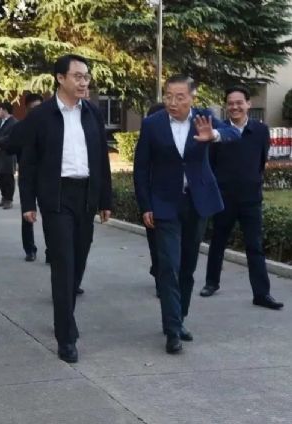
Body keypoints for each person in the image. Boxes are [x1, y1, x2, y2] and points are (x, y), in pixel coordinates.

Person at [133, 75, 241, 355]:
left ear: (192, 97)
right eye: (168, 96)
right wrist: (145, 205)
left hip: (197, 203)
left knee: (187, 266)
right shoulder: (152, 124)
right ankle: (172, 331)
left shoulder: (204, 118)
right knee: (169, 265)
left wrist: (213, 136)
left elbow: (234, 134)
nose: (173, 102)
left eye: (180, 97)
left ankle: (179, 318)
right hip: (164, 204)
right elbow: (141, 168)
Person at [19, 55, 112, 363]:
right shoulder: (41, 115)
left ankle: (65, 315)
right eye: (78, 76)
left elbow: (101, 158)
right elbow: (29, 162)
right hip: (56, 198)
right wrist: (28, 203)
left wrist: (105, 200)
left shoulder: (93, 113)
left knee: (78, 263)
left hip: (86, 196)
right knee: (63, 264)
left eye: (87, 77)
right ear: (60, 78)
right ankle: (66, 336)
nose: (84, 82)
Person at [200, 85, 284, 310]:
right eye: (230, 103)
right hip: (224, 198)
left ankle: (262, 294)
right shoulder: (218, 132)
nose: (235, 107)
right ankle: (211, 282)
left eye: (239, 103)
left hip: (250, 199)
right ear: (226, 106)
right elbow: (211, 163)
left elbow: (261, 162)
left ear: (248, 104)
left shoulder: (260, 131)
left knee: (254, 246)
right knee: (218, 242)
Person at [2, 93, 44, 261]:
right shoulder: (21, 127)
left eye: (39, 108)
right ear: (26, 109)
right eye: (33, 108)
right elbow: (10, 147)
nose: (36, 111)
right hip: (27, 176)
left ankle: (52, 251)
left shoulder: (52, 126)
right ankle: (29, 249)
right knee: (27, 214)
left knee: (51, 216)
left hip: (48, 176)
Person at [144, 102, 166, 296]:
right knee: (157, 245)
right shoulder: (148, 143)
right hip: (154, 202)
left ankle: (162, 274)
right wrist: (145, 205)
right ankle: (161, 280)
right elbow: (141, 174)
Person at [0, 102, 18, 209]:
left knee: (7, 176)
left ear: (4, 110)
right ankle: (4, 196)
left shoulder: (14, 122)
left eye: (0, 110)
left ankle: (9, 199)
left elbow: (10, 137)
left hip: (8, 153)